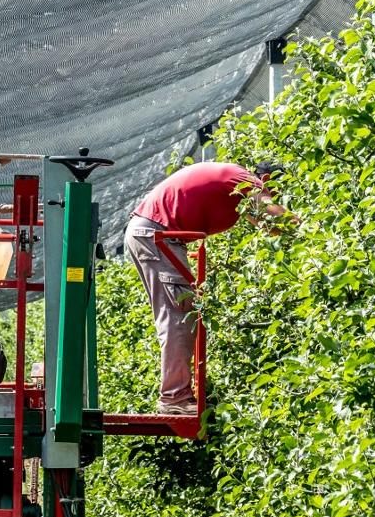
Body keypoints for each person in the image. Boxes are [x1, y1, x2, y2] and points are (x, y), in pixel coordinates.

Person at [125, 161, 298, 415]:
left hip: (154, 234)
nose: (274, 197)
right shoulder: (246, 181)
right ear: (267, 179)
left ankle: (176, 395)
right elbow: (275, 217)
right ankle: (174, 399)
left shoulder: (235, 184)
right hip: (157, 235)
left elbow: (267, 226)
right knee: (180, 315)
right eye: (276, 191)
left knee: (182, 311)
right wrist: (314, 231)